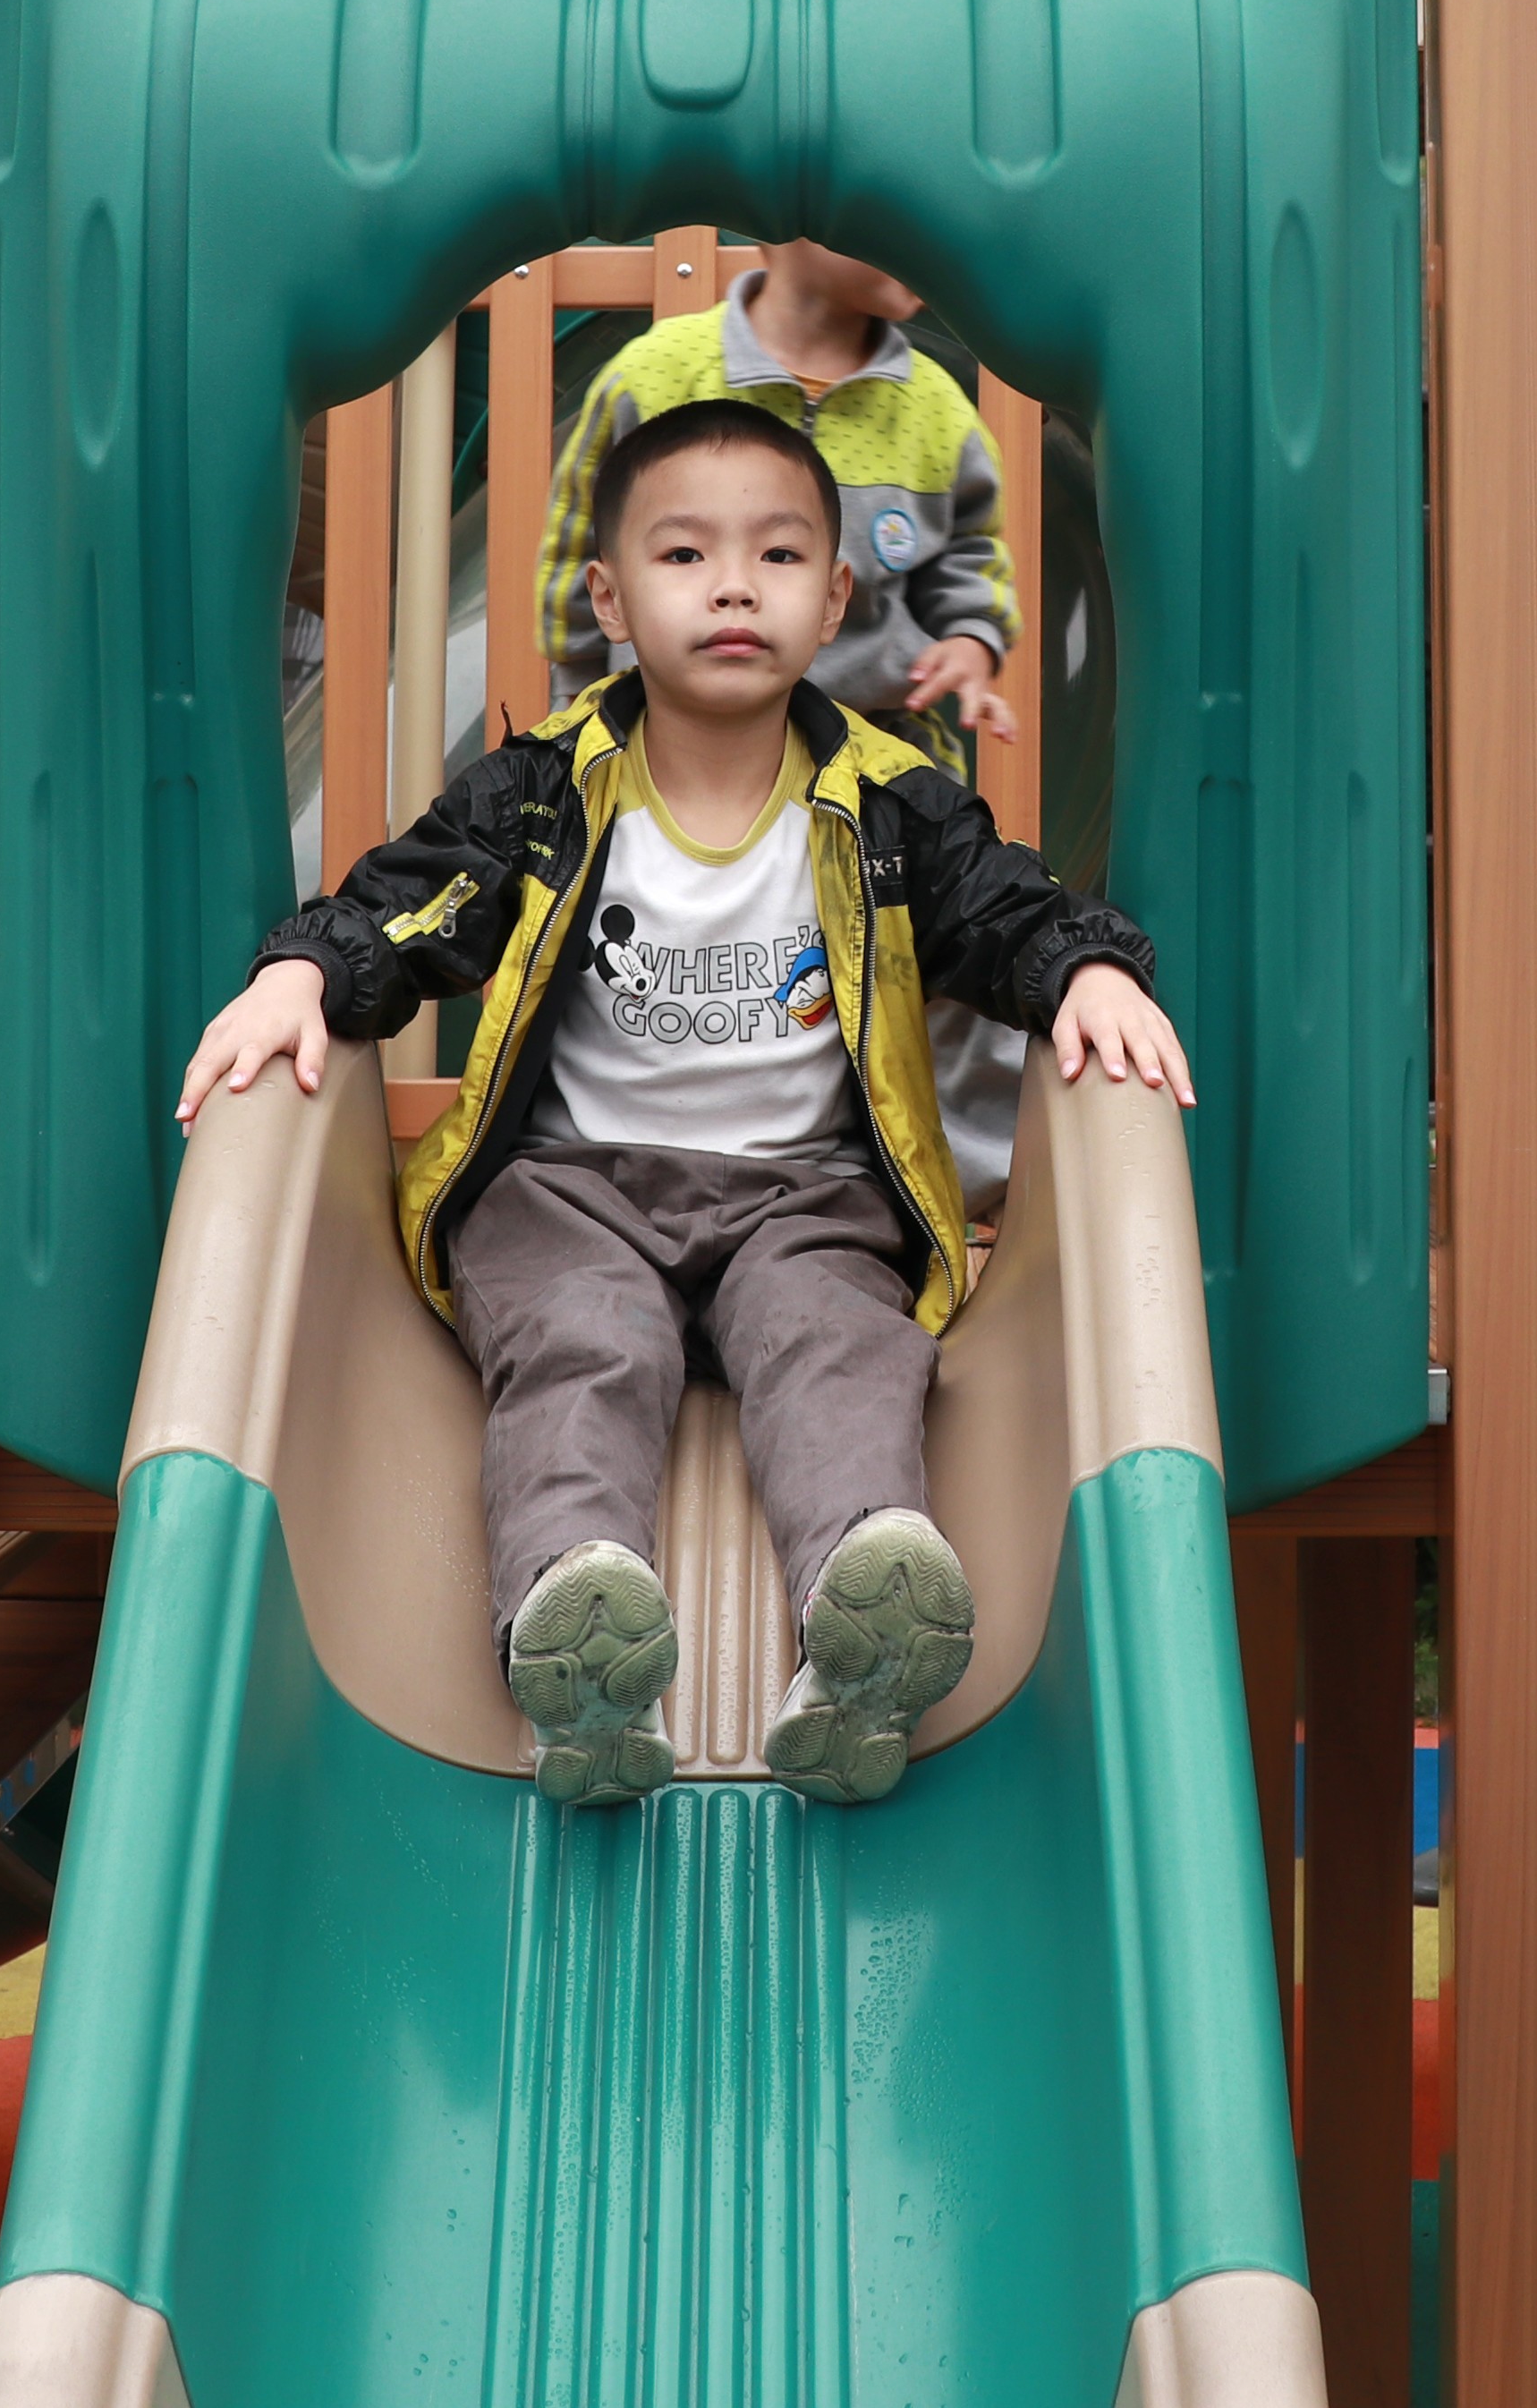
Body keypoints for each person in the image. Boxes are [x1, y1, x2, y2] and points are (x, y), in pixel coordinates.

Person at [180, 396, 1191, 1810]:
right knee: (582, 1344)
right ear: (610, 597)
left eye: (778, 558)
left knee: (840, 1347)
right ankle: (577, 1636)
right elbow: (417, 903)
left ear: (833, 596)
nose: (732, 586)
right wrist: (307, 972)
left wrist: (1085, 972)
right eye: (684, 555)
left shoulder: (886, 802)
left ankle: (864, 1626)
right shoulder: (547, 794)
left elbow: (1001, 906)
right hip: (574, 1187)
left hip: (805, 1196)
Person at [531, 238, 1036, 1200]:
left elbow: (972, 557)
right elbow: (575, 558)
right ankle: (650, 1149)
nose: (914, 223)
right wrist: (587, 708)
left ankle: (962, 1182)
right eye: (883, 207)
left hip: (871, 761)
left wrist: (969, 644)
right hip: (686, 749)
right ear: (790, 218)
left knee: (937, 956)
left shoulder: (932, 406)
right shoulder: (662, 375)